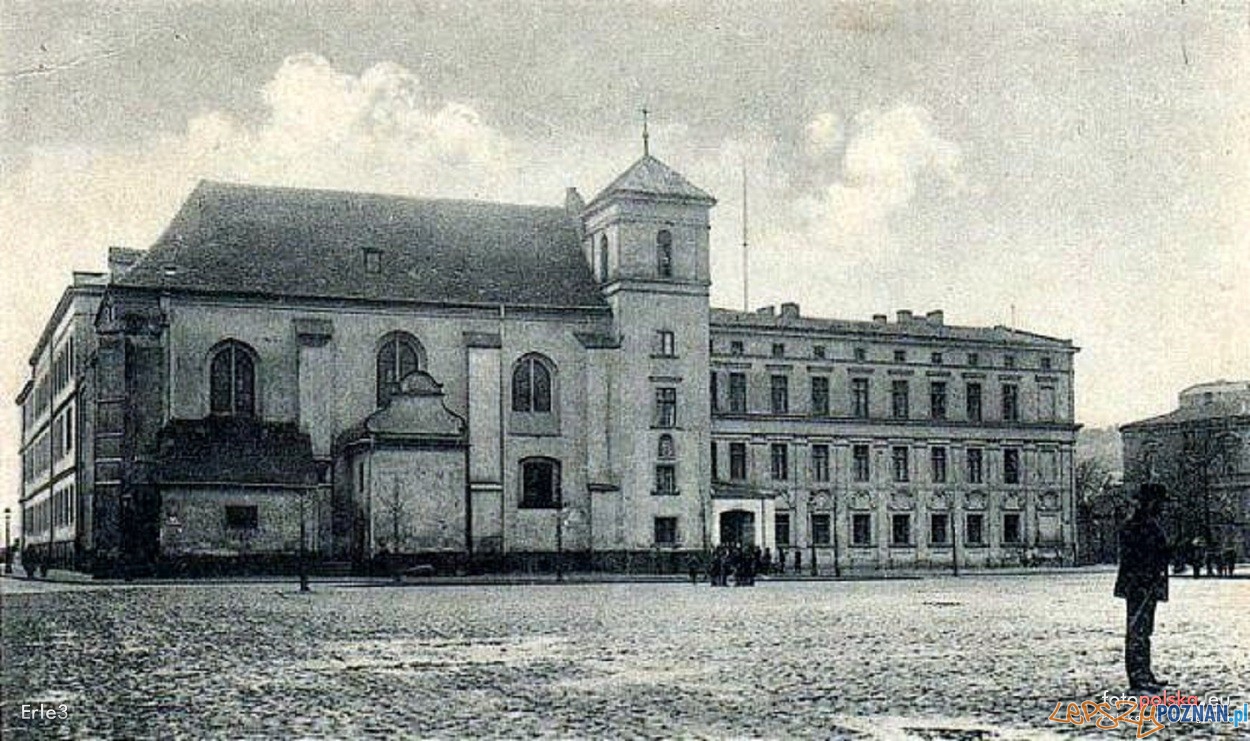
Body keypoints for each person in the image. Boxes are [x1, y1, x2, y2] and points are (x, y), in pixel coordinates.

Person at [1113, 483, 1170, 691]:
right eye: (1160, 503)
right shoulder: (1138, 525)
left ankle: (1144, 673)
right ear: (1151, 502)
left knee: (1144, 630)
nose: (1162, 507)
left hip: (1146, 584)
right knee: (1137, 630)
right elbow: (1137, 555)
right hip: (1140, 585)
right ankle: (1138, 676)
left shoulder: (1145, 523)